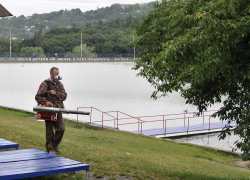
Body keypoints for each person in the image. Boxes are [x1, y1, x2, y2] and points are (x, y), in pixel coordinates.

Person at [35, 67, 67, 154]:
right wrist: (46, 102)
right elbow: (38, 97)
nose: (58, 76)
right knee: (49, 131)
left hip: (58, 109)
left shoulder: (60, 84)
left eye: (58, 74)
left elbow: (64, 96)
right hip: (49, 110)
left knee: (61, 129)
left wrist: (56, 93)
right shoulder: (45, 84)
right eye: (56, 74)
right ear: (51, 74)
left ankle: (54, 145)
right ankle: (49, 149)